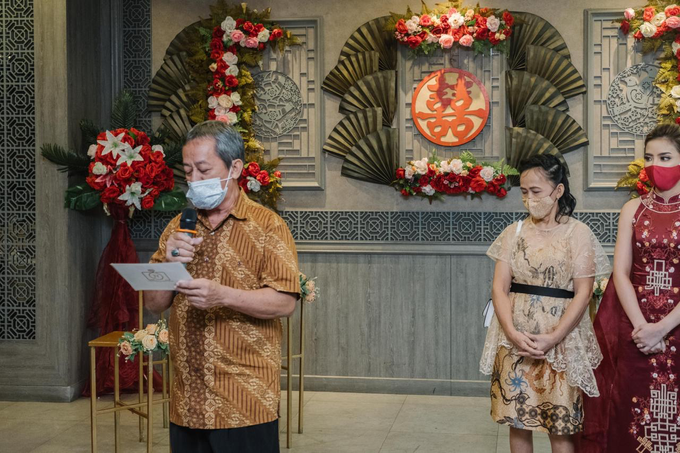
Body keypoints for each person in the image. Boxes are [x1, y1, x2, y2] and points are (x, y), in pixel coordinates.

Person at [144, 120, 300, 453]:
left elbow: (285, 303)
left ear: (235, 167)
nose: (194, 181)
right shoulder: (178, 225)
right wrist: (170, 262)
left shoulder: (269, 226)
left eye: (203, 169)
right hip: (187, 400)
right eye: (187, 172)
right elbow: (154, 303)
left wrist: (222, 295)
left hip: (244, 401)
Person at [479, 154, 610, 453]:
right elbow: (499, 288)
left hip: (561, 342)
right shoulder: (514, 233)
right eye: (524, 192)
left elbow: (583, 293)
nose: (529, 199)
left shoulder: (578, 233)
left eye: (536, 191)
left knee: (560, 426)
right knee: (518, 422)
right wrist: (512, 333)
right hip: (515, 340)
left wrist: (553, 337)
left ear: (558, 191)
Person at [580, 124, 680, 452]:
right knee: (630, 410)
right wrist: (642, 327)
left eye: (666, 157)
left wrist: (662, 329)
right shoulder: (632, 210)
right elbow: (621, 273)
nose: (656, 166)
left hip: (675, 327)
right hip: (635, 330)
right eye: (649, 158)